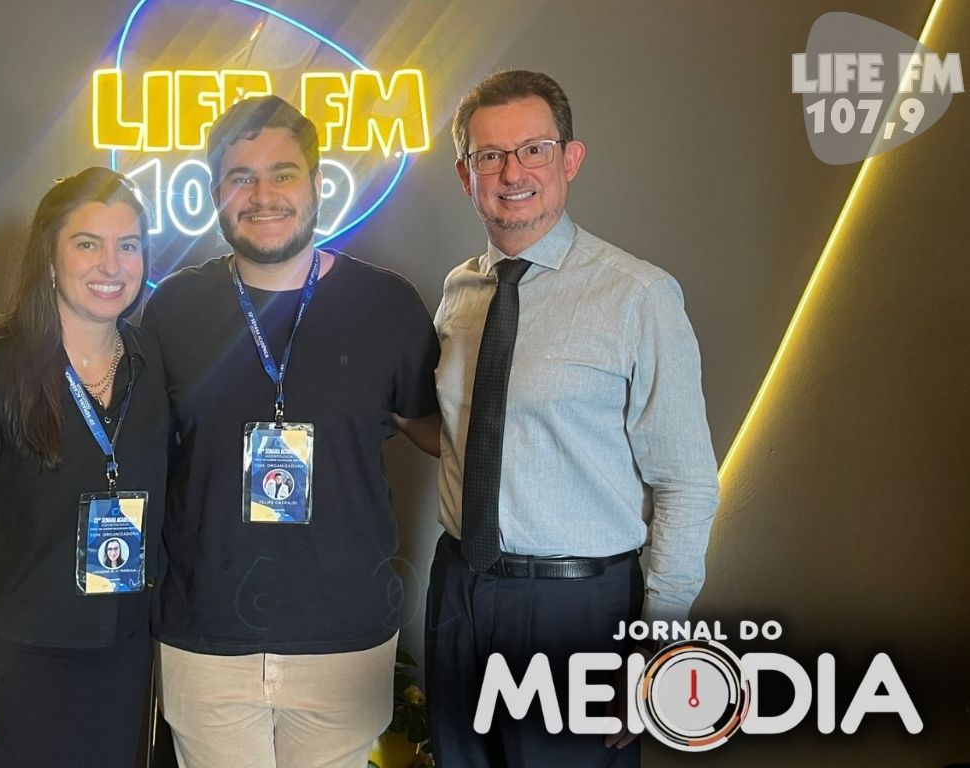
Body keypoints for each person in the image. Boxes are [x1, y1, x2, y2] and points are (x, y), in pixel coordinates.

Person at [425, 70, 720, 767]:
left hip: (579, 610)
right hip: (461, 590)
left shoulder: (638, 295)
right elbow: (470, 432)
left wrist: (652, 644)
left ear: (570, 159)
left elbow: (685, 482)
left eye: (533, 148)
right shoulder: (459, 294)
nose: (511, 171)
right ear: (466, 173)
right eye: (489, 155)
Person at [141, 95, 440, 768]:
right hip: (204, 634)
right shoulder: (174, 310)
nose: (263, 194)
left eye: (283, 173)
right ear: (214, 192)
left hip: (344, 639)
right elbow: (130, 455)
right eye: (239, 176)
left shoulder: (387, 305)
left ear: (316, 184)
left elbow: (441, 436)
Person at [0, 168, 168, 766]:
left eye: (127, 245)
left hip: (121, 666)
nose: (111, 265)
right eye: (87, 244)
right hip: (12, 674)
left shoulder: (152, 365)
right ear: (49, 258)